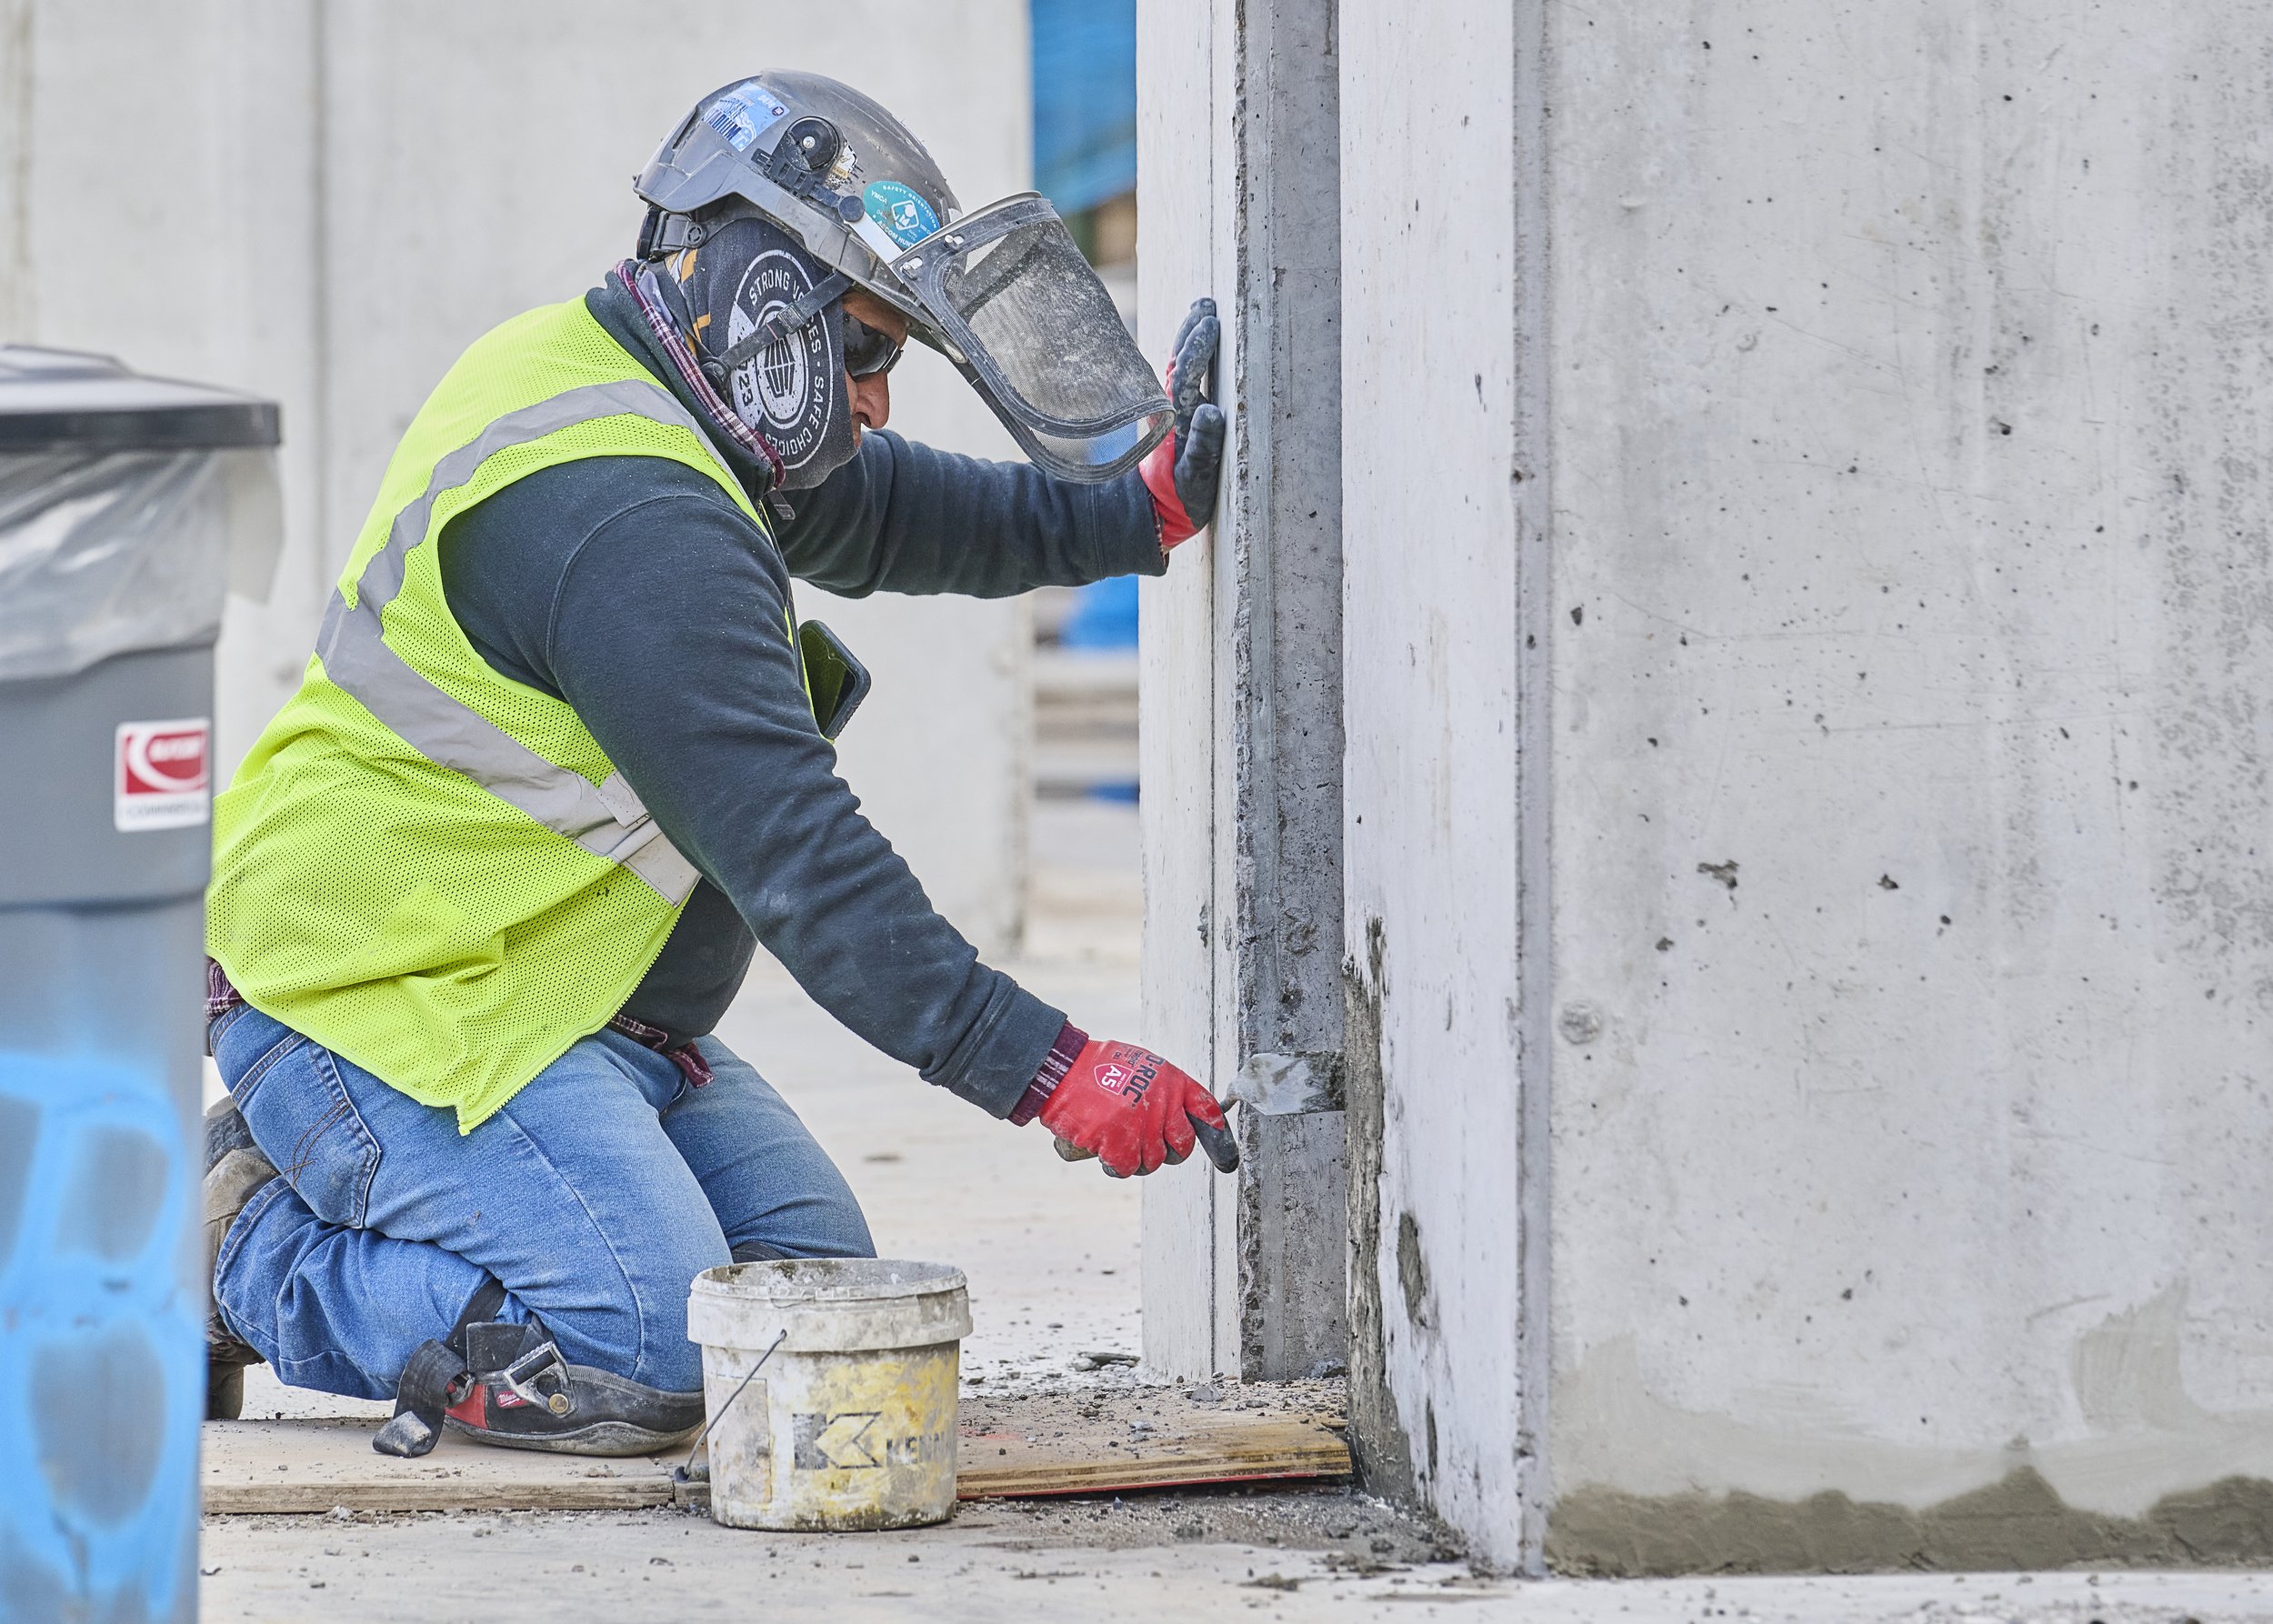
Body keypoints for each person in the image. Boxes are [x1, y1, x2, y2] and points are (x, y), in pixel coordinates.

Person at [199, 70, 1231, 1458]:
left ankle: (386, 1188)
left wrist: (1133, 512)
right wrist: (1051, 1068)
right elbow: (805, 860)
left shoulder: (637, 375)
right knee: (641, 1346)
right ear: (768, 313)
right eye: (865, 354)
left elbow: (879, 506)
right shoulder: (632, 526)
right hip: (381, 999)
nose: (871, 402)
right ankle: (238, 1243)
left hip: (560, 1001)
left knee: (810, 1314)